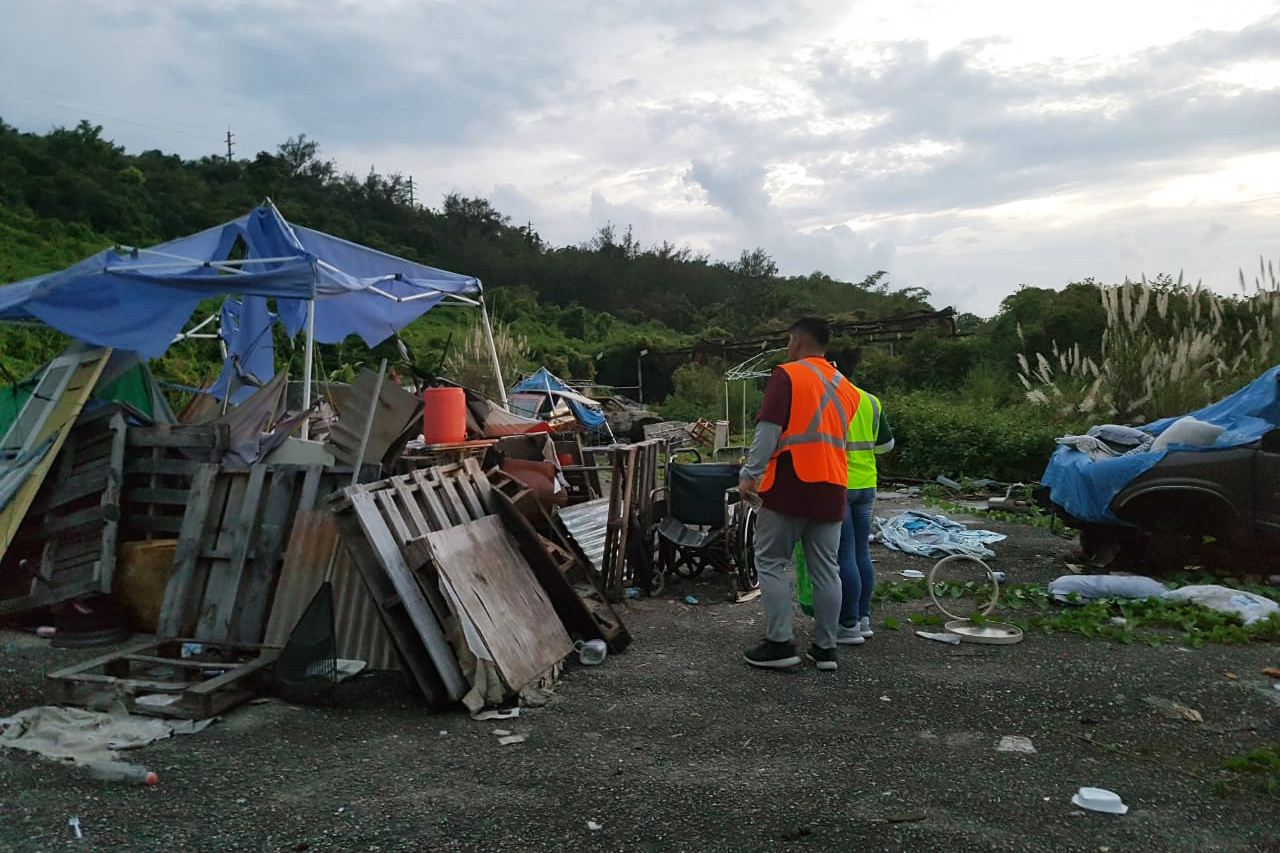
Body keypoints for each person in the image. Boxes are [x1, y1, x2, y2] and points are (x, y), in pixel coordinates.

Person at [739, 317, 859, 671]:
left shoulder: (787, 375)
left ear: (796, 341)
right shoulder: (846, 387)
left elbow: (769, 430)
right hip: (833, 485)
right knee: (826, 569)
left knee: (771, 562)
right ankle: (825, 649)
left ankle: (780, 644)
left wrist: (749, 475)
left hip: (790, 481)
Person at [834, 383, 894, 646]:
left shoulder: (831, 399)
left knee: (843, 554)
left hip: (840, 484)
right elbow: (886, 446)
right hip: (867, 485)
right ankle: (863, 618)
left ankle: (848, 624)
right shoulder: (871, 400)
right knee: (861, 553)